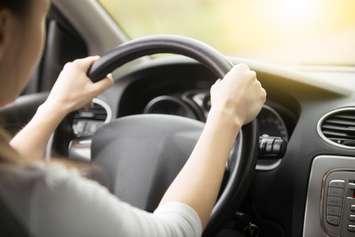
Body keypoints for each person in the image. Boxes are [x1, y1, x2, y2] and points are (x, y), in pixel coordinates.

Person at [0, 0, 266, 237]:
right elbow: (176, 231)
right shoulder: (39, 194)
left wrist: (55, 106)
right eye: (43, 15)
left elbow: (13, 164)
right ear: (3, 30)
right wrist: (226, 115)